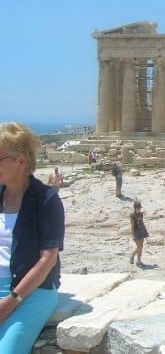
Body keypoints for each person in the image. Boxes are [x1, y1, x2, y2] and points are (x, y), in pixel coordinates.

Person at [0, 122, 65, 352]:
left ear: (21, 161)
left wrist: (10, 302)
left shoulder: (46, 200)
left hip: (32, 293)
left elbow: (47, 260)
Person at [129, 198, 149, 267]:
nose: (139, 209)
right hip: (136, 232)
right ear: (135, 208)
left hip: (141, 231)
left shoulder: (141, 214)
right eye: (138, 208)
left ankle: (139, 261)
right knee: (139, 246)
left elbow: (142, 223)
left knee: (141, 247)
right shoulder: (132, 215)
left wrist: (145, 231)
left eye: (140, 208)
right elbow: (132, 226)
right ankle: (132, 255)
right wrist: (132, 235)